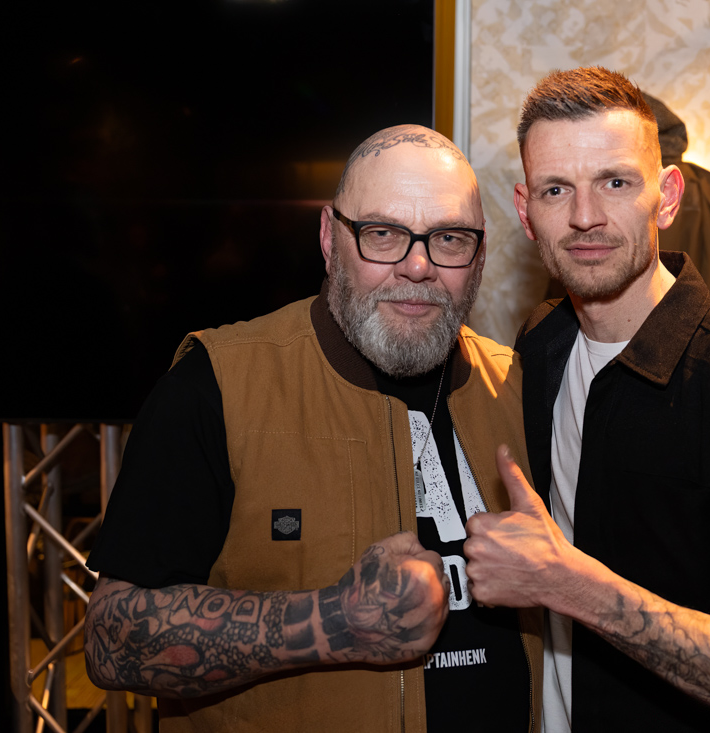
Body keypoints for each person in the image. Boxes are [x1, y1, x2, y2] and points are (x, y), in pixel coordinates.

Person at [83, 124, 542, 732]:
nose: (417, 266)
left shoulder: (519, 389)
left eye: (449, 238)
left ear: (479, 255)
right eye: (382, 234)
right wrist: (337, 622)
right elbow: (111, 640)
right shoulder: (216, 387)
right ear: (329, 238)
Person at [464, 67, 710, 732]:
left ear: (668, 197)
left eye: (616, 182)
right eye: (556, 189)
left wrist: (571, 586)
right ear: (525, 211)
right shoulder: (541, 344)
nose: (585, 216)